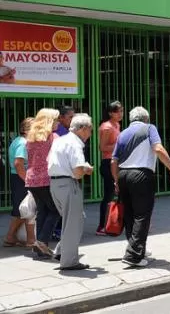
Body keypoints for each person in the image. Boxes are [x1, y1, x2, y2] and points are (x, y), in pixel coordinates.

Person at [111, 106, 170, 267]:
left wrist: (116, 180)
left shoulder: (122, 134)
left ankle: (135, 248)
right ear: (146, 118)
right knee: (142, 215)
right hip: (141, 175)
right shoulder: (149, 128)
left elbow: (113, 160)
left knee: (129, 214)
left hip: (123, 175)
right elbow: (158, 148)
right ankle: (134, 255)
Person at [47, 114, 95, 270]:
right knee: (73, 222)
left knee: (73, 220)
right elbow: (77, 172)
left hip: (54, 184)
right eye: (90, 130)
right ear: (82, 129)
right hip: (68, 184)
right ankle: (69, 261)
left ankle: (61, 251)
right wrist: (86, 169)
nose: (90, 134)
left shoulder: (60, 140)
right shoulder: (75, 144)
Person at [24, 108, 60, 259]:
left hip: (32, 179)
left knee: (42, 211)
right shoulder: (53, 137)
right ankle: (42, 242)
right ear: (49, 121)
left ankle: (40, 248)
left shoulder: (31, 137)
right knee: (56, 210)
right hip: (46, 179)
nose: (58, 122)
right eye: (56, 119)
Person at [4, 117, 35, 248]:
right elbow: (18, 163)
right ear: (26, 130)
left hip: (19, 177)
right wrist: (28, 180)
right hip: (21, 178)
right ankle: (28, 240)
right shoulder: (23, 143)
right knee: (26, 210)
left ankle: (13, 238)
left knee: (23, 210)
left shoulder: (18, 140)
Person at [96, 101, 123, 236]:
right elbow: (102, 147)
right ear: (110, 113)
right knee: (108, 195)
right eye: (118, 111)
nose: (120, 114)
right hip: (108, 163)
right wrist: (120, 145)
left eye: (121, 111)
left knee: (116, 193)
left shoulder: (117, 125)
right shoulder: (106, 127)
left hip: (116, 162)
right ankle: (101, 226)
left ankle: (113, 222)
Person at [50, 104, 74, 241]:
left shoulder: (64, 129)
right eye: (70, 117)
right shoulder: (58, 132)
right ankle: (58, 230)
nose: (72, 119)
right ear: (61, 117)